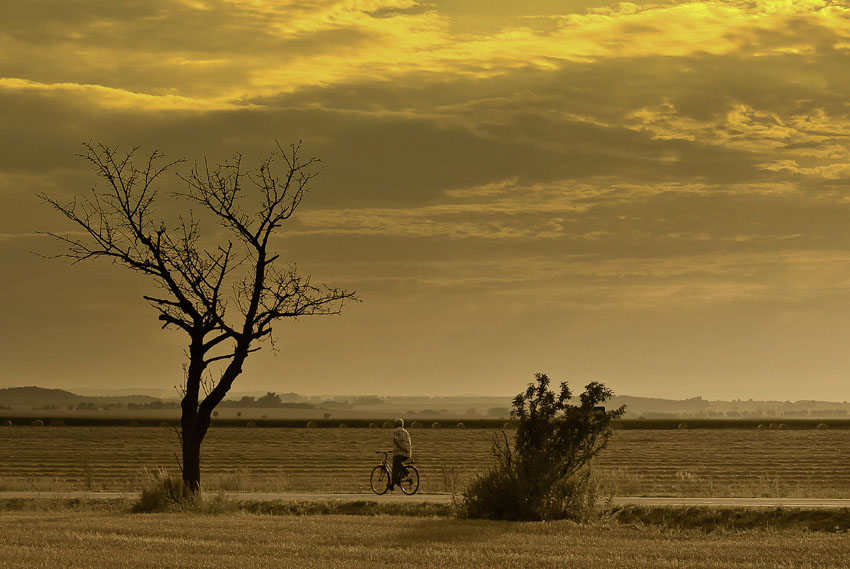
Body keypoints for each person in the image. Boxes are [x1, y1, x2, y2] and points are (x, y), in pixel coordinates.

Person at [390, 418, 412, 490]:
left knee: (394, 468)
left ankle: (392, 485)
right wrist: (406, 449)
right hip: (408, 453)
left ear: (396, 424)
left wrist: (402, 448)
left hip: (399, 452)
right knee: (398, 466)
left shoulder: (396, 431)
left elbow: (396, 441)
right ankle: (400, 477)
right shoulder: (406, 432)